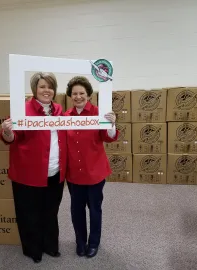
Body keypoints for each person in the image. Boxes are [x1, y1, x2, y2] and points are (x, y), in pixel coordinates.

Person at [0, 72, 67, 263]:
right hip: (28, 174)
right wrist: (7, 131)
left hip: (54, 171)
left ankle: (51, 246)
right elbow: (12, 138)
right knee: (29, 213)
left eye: (50, 87)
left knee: (51, 211)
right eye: (42, 87)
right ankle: (33, 250)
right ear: (35, 89)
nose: (47, 90)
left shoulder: (59, 110)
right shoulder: (22, 109)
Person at [65, 76, 119, 258]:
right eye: (74, 94)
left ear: (88, 95)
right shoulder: (65, 117)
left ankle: (94, 243)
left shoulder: (99, 113)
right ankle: (80, 242)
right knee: (76, 210)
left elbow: (109, 137)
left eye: (82, 93)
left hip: (95, 173)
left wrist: (111, 123)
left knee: (95, 209)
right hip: (74, 174)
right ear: (70, 96)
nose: (78, 96)